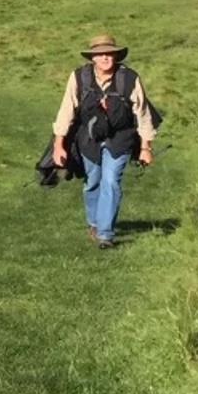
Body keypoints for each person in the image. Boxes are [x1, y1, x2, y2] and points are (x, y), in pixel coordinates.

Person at [50, 34, 157, 249]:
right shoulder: (79, 78)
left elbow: (143, 114)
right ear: (93, 58)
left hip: (121, 137)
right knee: (93, 182)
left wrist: (145, 147)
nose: (106, 58)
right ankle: (94, 223)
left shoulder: (130, 79)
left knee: (111, 181)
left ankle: (105, 234)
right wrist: (58, 144)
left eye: (110, 53)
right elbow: (66, 110)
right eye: (100, 54)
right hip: (89, 138)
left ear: (116, 56)